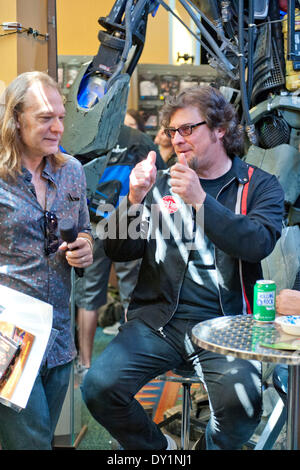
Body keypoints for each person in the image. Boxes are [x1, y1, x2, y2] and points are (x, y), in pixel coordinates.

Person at [82, 85, 284, 450]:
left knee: (243, 406)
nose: (177, 139)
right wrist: (133, 199)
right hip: (159, 322)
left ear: (220, 128)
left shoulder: (258, 185)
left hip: (230, 326)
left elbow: (258, 242)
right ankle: (162, 452)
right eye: (172, 131)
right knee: (98, 386)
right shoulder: (158, 185)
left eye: (187, 129)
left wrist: (201, 201)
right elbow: (115, 250)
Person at [0, 71, 93, 450]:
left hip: (58, 336)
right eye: (44, 118)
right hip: (9, 336)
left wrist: (86, 246)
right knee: (31, 441)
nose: (58, 127)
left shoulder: (71, 171)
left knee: (46, 434)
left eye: (60, 116)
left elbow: (84, 228)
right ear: (16, 118)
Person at [75, 123, 166, 373]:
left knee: (89, 296)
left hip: (95, 220)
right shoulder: (140, 140)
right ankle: (129, 362)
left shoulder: (89, 134)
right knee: (131, 295)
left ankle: (84, 363)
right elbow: (159, 179)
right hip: (127, 220)